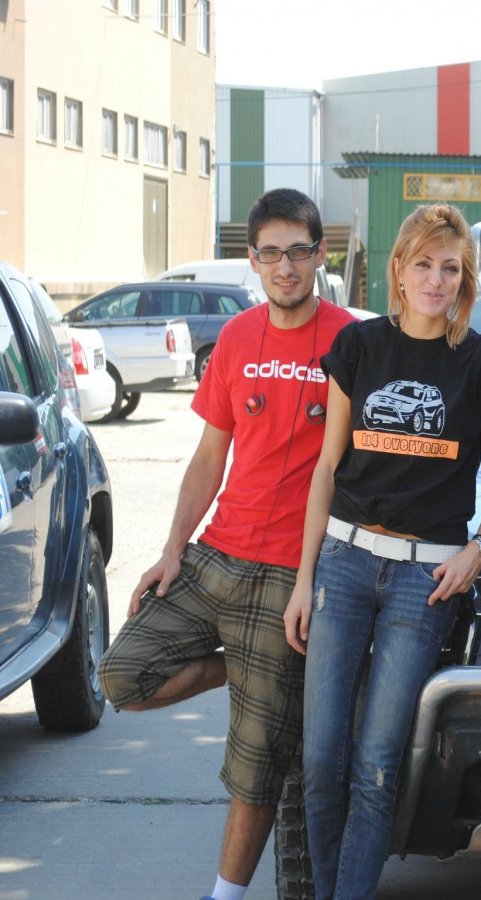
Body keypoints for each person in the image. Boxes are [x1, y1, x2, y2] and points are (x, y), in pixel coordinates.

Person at [97, 188, 356, 900]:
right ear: (253, 259)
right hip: (216, 555)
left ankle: (225, 896)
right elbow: (211, 455)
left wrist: (316, 578)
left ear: (319, 255)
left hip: (288, 573)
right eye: (271, 253)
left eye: (298, 251)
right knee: (121, 677)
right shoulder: (238, 338)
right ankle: (231, 668)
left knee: (256, 762)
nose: (285, 267)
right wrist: (171, 549)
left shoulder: (351, 342)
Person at [282, 204, 481, 900]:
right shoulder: (359, 348)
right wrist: (304, 581)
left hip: (426, 580)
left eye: (451, 267)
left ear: (466, 278)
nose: (437, 280)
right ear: (399, 271)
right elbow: (327, 469)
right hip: (344, 563)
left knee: (378, 763)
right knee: (321, 760)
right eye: (424, 264)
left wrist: (479, 548)